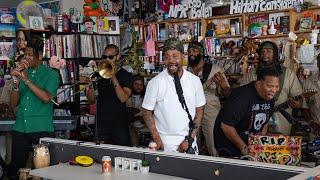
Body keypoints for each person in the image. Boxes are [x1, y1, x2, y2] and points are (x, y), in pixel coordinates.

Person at [8, 35, 60, 178]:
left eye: (30, 55)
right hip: (20, 127)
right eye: (26, 54)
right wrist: (16, 83)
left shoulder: (52, 75)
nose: (27, 58)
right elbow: (13, 104)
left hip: (41, 127)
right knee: (15, 170)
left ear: (40, 56)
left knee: (43, 171)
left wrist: (26, 80)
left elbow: (45, 98)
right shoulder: (24, 73)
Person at [142, 38, 206, 153]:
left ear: (183, 56)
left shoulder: (195, 81)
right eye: (167, 57)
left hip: (187, 142)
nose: (171, 60)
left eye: (175, 56)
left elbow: (199, 111)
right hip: (162, 142)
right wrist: (157, 138)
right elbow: (147, 111)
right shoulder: (155, 83)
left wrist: (190, 139)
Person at [214, 67, 280, 158]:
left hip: (249, 142)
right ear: (258, 83)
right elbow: (226, 126)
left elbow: (265, 122)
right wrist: (244, 147)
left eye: (276, 87)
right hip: (229, 144)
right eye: (269, 86)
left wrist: (258, 144)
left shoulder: (270, 98)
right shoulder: (242, 97)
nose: (273, 90)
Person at [241, 41, 303, 135]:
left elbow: (298, 97)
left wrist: (297, 103)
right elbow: (243, 94)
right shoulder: (253, 73)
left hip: (281, 121)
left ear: (275, 54)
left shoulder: (288, 73)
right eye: (262, 51)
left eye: (269, 51)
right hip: (257, 119)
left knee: (279, 147)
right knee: (258, 146)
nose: (265, 54)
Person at [187, 41, 230, 156]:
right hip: (191, 112)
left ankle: (217, 167)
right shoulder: (186, 72)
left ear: (201, 53)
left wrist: (221, 84)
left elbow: (227, 93)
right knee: (192, 142)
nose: (191, 53)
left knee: (213, 143)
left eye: (195, 51)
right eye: (189, 51)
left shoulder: (215, 69)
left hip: (210, 111)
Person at [86, 44, 133, 146]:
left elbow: (123, 98)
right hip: (102, 123)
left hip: (119, 125)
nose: (107, 60)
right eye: (104, 57)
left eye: (110, 57)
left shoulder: (126, 76)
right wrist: (90, 87)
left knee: (122, 155)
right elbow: (91, 100)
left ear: (118, 57)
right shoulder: (97, 75)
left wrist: (113, 76)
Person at [301, 56, 320, 138]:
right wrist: (311, 122)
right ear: (318, 64)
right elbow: (304, 106)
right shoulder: (308, 82)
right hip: (315, 130)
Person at [126, 76, 146, 146]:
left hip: (145, 128)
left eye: (141, 85)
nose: (139, 87)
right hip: (131, 129)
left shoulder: (146, 97)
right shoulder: (127, 97)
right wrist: (138, 115)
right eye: (136, 84)